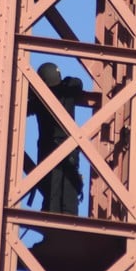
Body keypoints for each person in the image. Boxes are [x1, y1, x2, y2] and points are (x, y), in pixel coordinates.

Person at [28, 62, 84, 215]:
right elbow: (78, 83)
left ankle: (51, 221)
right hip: (69, 151)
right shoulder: (68, 90)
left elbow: (23, 107)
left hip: (49, 151)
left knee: (51, 192)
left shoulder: (39, 100)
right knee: (68, 192)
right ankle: (68, 222)